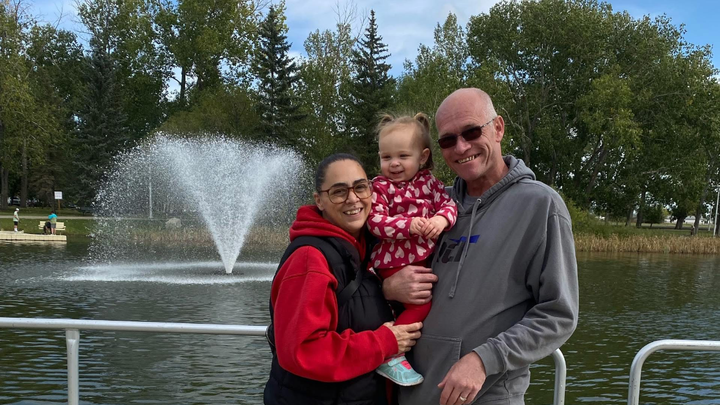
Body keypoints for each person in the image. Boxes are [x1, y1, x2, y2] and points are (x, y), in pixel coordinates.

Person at [383, 88, 579, 405]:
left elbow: (558, 314)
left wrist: (485, 359)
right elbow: (383, 259)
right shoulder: (434, 205)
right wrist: (388, 286)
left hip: (486, 396)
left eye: (472, 132)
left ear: (498, 128)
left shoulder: (540, 205)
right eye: (448, 140)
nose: (461, 147)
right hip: (413, 394)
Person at [264, 153, 423, 405]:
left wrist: (385, 288)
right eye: (338, 192)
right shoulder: (309, 259)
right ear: (319, 201)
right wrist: (385, 342)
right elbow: (303, 350)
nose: (353, 198)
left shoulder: (368, 248)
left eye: (360, 187)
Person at [368, 113, 457, 386]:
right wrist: (409, 225)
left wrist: (440, 221)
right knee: (422, 304)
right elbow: (375, 222)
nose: (394, 163)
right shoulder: (380, 186)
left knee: (424, 300)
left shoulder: (430, 183)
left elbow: (449, 206)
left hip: (420, 260)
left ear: (422, 156)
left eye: (403, 156)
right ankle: (391, 352)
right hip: (392, 261)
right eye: (386, 157)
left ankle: (395, 346)